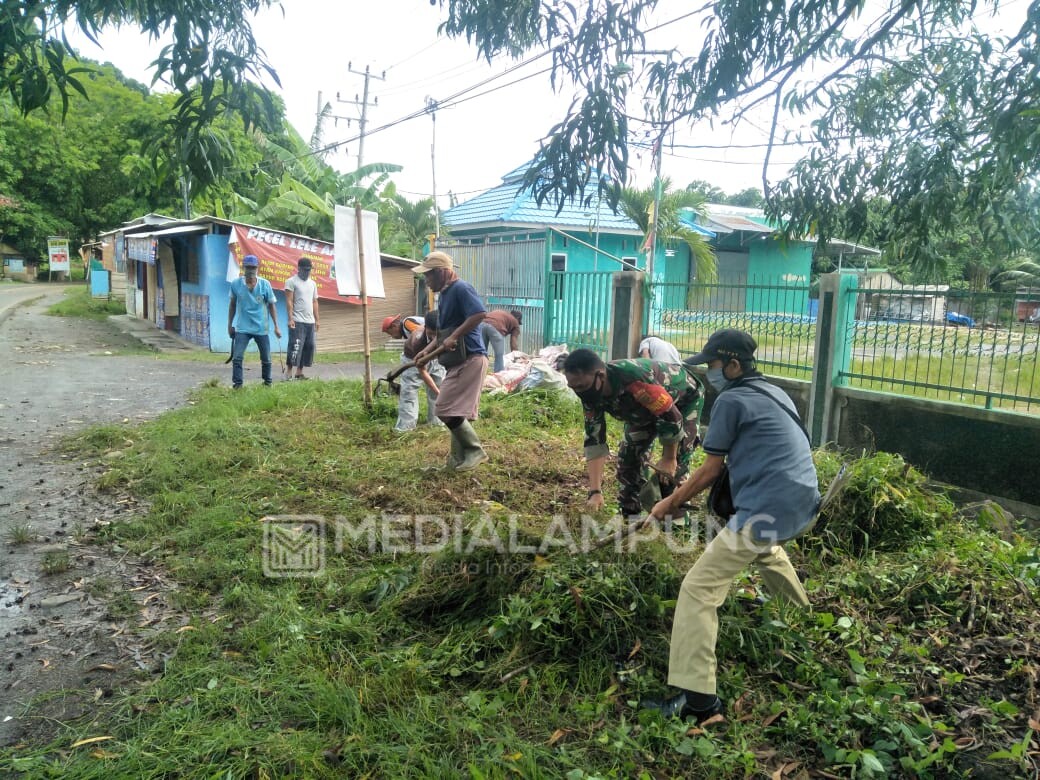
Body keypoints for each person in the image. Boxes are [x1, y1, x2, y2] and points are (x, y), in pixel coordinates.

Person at [641, 329, 819, 724]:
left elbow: (709, 469)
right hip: (803, 504)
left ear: (734, 365)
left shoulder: (732, 399)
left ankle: (700, 704)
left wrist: (668, 503)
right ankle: (800, 617)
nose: (709, 374)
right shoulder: (775, 392)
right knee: (764, 548)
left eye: (714, 366)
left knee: (698, 590)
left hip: (767, 509)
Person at [561, 349, 703, 517]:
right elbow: (594, 440)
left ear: (600, 376)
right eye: (573, 387)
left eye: (581, 386)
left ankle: (676, 524)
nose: (579, 392)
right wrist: (595, 492)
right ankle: (632, 517)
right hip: (642, 410)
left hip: (682, 401)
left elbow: (670, 416)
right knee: (629, 460)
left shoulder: (635, 380)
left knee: (675, 467)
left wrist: (669, 458)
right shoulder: (590, 393)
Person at [413, 251, 489, 471]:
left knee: (445, 408)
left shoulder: (461, 288)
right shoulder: (445, 295)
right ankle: (455, 462)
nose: (426, 281)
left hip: (471, 357)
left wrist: (455, 336)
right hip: (457, 361)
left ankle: (475, 450)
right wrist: (424, 351)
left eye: (428, 276)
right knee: (456, 412)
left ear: (441, 272)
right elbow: (441, 335)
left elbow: (479, 314)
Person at [228, 254, 281, 388]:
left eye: (253, 267)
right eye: (248, 267)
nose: (251, 270)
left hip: (261, 328)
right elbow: (232, 305)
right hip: (242, 328)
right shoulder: (235, 284)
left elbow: (271, 305)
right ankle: (237, 385)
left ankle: (267, 383)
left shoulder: (265, 285)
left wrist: (276, 326)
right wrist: (229, 325)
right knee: (237, 357)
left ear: (258, 268)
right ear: (243, 267)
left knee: (266, 358)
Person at [394, 309, 447, 432]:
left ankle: (437, 423)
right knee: (409, 391)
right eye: (431, 333)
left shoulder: (445, 332)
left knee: (440, 386)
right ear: (425, 326)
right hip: (412, 360)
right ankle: (406, 427)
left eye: (437, 334)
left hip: (435, 359)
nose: (434, 337)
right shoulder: (417, 340)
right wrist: (440, 394)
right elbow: (423, 372)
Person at [284, 257, 319, 380]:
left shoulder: (313, 283)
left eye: (309, 270)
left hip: (310, 321)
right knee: (295, 346)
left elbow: (314, 301)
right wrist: (290, 319)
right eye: (305, 269)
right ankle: (288, 372)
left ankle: (299, 372)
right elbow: (289, 300)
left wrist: (317, 320)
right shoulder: (291, 281)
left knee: (308, 346)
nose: (307, 272)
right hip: (297, 320)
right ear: (299, 268)